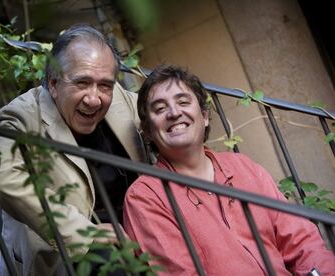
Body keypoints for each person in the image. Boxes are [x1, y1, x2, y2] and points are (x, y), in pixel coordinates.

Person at [123, 64, 335, 275]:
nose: (174, 112)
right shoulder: (145, 197)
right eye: (160, 109)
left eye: (183, 102)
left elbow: (301, 240)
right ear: (148, 132)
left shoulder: (243, 167)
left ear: (205, 116)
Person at [0, 23, 147, 275]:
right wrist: (83, 234)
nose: (94, 98)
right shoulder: (20, 115)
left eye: (104, 85)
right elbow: (3, 179)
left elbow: (158, 119)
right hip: (66, 254)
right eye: (82, 82)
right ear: (53, 83)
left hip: (132, 234)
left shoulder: (115, 94)